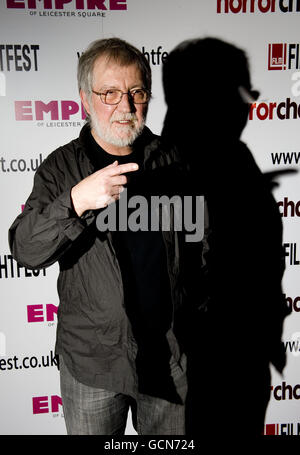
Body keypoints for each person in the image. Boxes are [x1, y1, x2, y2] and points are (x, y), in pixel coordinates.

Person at [9, 38, 188, 435]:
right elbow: (25, 249)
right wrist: (75, 201)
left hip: (168, 361)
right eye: (109, 93)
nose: (125, 107)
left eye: (136, 92)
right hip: (94, 366)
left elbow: (200, 245)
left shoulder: (171, 159)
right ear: (85, 100)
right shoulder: (61, 168)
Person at [161, 37, 290, 439]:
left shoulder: (235, 157)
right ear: (208, 93)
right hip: (202, 372)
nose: (250, 102)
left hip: (242, 359)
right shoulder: (164, 170)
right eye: (241, 89)